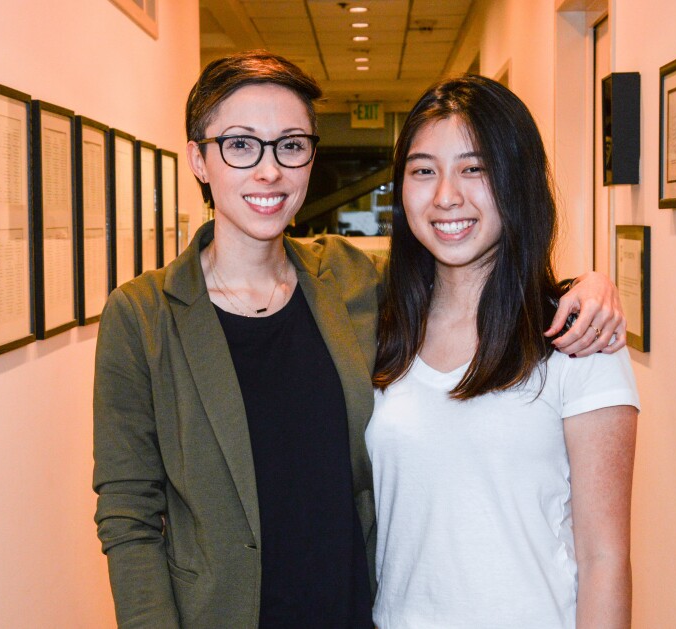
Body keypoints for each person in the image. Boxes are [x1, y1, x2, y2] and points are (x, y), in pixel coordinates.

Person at [92, 51, 625, 629]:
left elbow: (475, 286)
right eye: (240, 145)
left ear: (310, 158)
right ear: (199, 158)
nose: (269, 171)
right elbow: (129, 515)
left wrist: (590, 287)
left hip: (356, 611)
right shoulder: (142, 317)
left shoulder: (352, 282)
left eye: (290, 145)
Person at [367, 75, 640, 629]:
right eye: (423, 170)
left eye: (475, 168)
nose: (446, 196)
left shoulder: (576, 340)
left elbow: (604, 559)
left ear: (517, 180)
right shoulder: (380, 328)